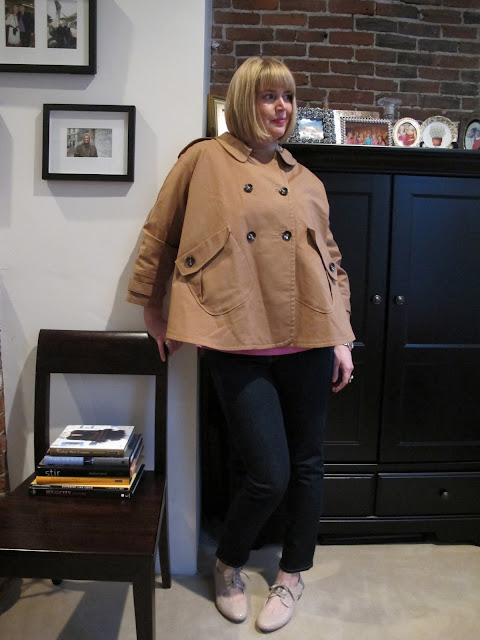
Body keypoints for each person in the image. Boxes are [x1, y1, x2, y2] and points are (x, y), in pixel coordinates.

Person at [126, 56, 354, 633]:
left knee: (307, 466)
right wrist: (152, 307)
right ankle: (228, 562)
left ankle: (292, 574)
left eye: (289, 98)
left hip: (308, 337)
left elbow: (331, 263)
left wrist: (342, 337)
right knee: (268, 473)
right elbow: (160, 232)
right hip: (235, 335)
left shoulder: (306, 178)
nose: (282, 108)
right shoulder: (204, 159)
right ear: (245, 100)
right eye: (269, 96)